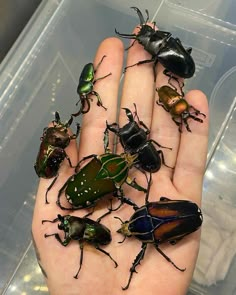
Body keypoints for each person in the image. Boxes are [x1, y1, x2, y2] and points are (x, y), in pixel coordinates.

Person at [32, 31, 209, 295]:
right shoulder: (121, 181)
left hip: (99, 187)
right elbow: (130, 191)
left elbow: (132, 193)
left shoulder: (119, 179)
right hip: (96, 188)